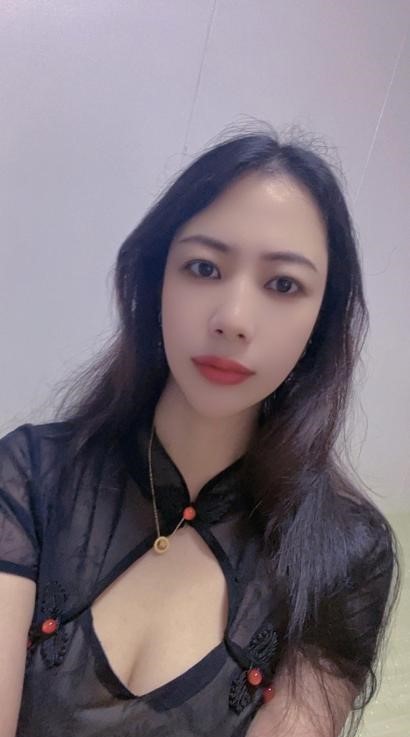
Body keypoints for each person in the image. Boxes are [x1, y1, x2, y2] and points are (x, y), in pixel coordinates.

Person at [0, 127, 400, 737]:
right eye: (204, 267)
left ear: (321, 321)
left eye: (283, 284)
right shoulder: (29, 479)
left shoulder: (345, 557)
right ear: (155, 280)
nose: (233, 319)